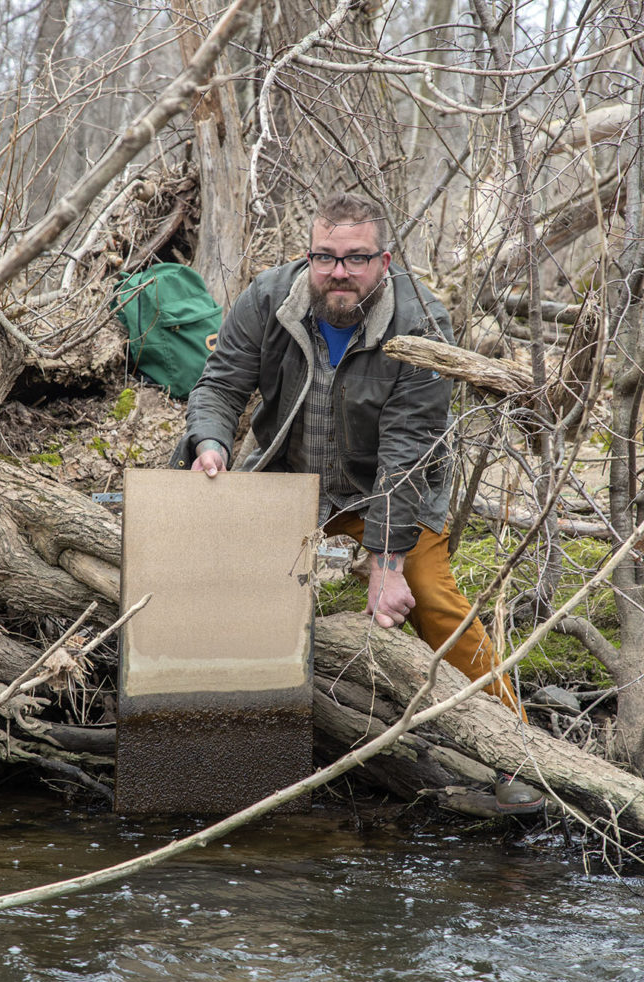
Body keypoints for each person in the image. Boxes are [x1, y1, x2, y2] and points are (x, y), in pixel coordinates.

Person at [171, 191, 543, 813]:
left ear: (384, 260)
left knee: (436, 601)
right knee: (229, 588)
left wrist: (387, 562)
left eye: (356, 258)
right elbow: (221, 383)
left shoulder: (419, 319)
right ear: (309, 255)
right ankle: (224, 752)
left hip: (391, 493)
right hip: (291, 485)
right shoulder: (267, 299)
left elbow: (410, 449)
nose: (338, 272)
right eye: (325, 257)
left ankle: (514, 755)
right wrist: (209, 444)